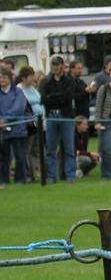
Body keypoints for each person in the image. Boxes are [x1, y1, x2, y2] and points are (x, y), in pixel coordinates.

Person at [38, 55, 77, 183]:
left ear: (62, 66)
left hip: (65, 116)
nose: (54, 67)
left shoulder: (69, 81)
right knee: (51, 149)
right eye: (53, 65)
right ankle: (51, 176)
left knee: (69, 148)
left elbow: (68, 97)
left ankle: (70, 175)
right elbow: (44, 100)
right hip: (51, 117)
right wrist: (58, 97)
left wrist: (53, 97)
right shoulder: (46, 81)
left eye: (57, 65)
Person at [0, 67, 30, 186]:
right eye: (0, 78)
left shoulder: (18, 92)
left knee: (19, 155)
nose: (1, 80)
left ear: (10, 79)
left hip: (17, 128)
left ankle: (20, 179)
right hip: (2, 130)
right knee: (3, 157)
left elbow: (18, 108)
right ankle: (3, 179)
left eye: (4, 77)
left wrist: (6, 119)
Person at [17, 66, 43, 182]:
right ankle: (28, 175)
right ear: (23, 78)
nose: (33, 78)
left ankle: (35, 173)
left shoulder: (33, 89)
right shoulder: (18, 90)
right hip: (28, 124)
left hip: (39, 123)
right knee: (27, 149)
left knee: (36, 150)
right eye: (30, 76)